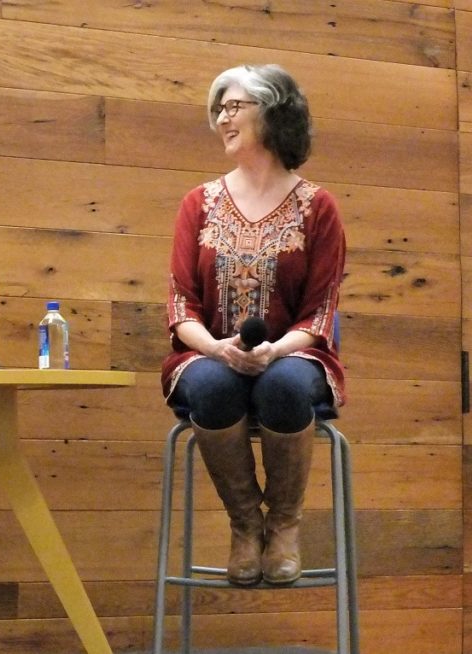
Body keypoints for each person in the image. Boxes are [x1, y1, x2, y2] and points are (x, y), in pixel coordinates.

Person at [162, 64, 345, 587]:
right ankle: (246, 527)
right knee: (214, 386)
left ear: (274, 111)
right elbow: (179, 305)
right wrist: (219, 351)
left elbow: (322, 310)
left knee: (283, 384)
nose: (223, 117)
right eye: (218, 109)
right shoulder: (198, 202)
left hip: (295, 355)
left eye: (234, 106)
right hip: (206, 353)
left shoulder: (319, 207)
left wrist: (275, 351)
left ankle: (284, 526)